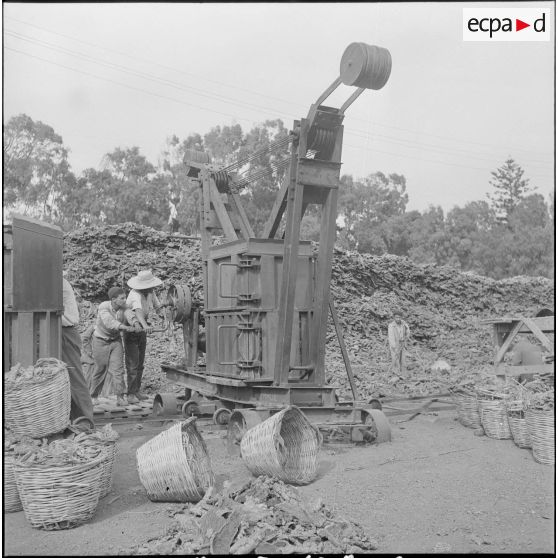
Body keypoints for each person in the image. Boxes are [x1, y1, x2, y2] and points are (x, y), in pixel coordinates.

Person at [90, 287, 140, 406]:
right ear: (113, 300)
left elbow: (129, 314)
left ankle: (120, 396)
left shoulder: (124, 306)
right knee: (100, 368)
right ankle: (93, 395)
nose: (125, 300)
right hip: (100, 341)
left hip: (115, 341)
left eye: (125, 297)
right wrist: (125, 327)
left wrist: (136, 323)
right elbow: (109, 322)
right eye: (122, 298)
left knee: (118, 370)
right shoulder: (103, 307)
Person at [124, 270, 165, 403]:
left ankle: (136, 390)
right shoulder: (135, 294)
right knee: (133, 363)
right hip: (132, 326)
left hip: (142, 325)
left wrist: (163, 315)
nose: (151, 288)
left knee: (140, 363)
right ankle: (130, 394)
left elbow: (158, 306)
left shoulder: (150, 292)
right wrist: (145, 326)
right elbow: (138, 311)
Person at [61, 275, 95, 425]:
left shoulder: (57, 283)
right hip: (58, 330)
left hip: (64, 332)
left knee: (74, 376)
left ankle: (85, 419)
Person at [388, 309, 411, 377]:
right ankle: (396, 371)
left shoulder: (404, 324)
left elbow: (408, 331)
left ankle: (403, 372)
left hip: (402, 343)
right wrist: (394, 346)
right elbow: (391, 337)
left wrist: (406, 337)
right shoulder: (391, 325)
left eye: (399, 317)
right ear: (394, 317)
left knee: (402, 358)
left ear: (401, 317)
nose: (398, 319)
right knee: (395, 358)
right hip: (395, 343)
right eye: (396, 317)